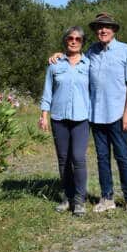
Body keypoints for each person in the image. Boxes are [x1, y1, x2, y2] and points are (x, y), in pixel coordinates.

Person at [50, 12, 127, 214]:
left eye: (107, 26)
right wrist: (58, 55)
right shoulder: (90, 53)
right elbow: (73, 59)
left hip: (118, 114)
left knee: (122, 157)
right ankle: (107, 197)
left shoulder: (126, 51)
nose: (103, 30)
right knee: (102, 158)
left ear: (114, 30)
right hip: (96, 115)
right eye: (99, 27)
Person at [39, 26, 91, 216]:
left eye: (78, 39)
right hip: (59, 118)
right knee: (63, 160)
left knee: (78, 158)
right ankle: (67, 197)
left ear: (82, 42)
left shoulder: (88, 64)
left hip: (81, 119)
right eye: (70, 38)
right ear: (65, 40)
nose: (74, 41)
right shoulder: (54, 64)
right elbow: (47, 92)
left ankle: (79, 200)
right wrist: (44, 114)